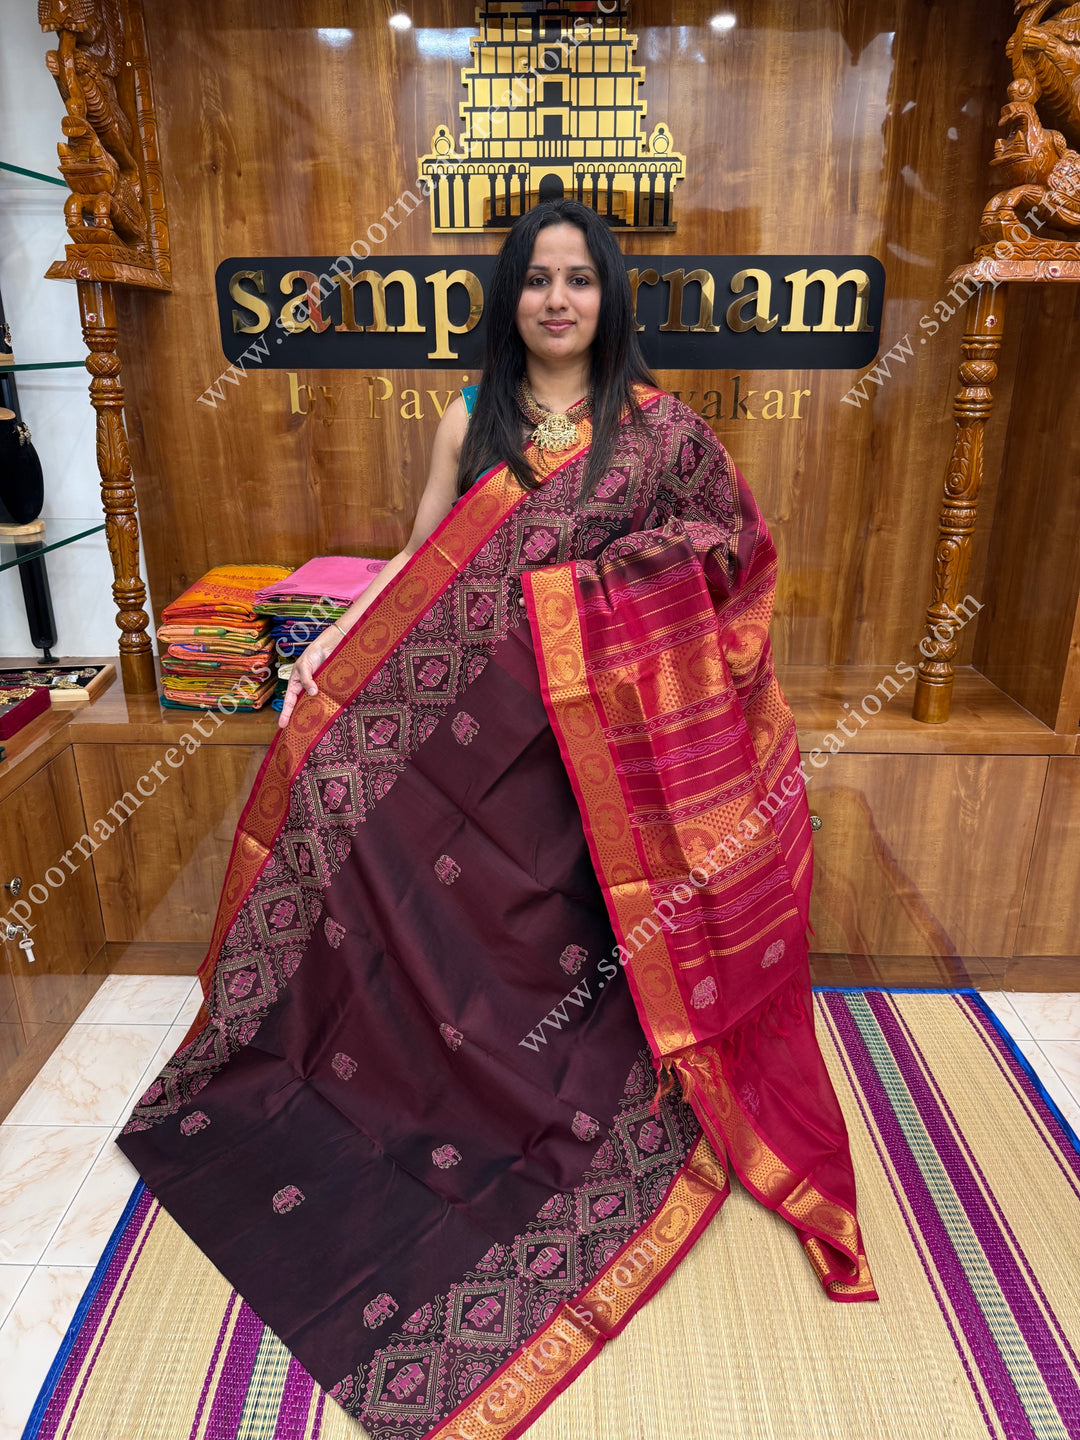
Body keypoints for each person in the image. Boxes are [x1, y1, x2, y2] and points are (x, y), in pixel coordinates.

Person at [119, 200, 875, 1440]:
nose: (558, 300)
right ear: (509, 297)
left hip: (590, 766)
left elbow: (733, 560)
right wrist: (329, 654)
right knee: (344, 794)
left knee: (566, 938)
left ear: (609, 297)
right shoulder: (470, 418)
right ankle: (403, 1062)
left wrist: (590, 605)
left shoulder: (662, 433)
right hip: (466, 733)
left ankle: (552, 1072)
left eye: (580, 279)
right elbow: (421, 566)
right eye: (537, 279)